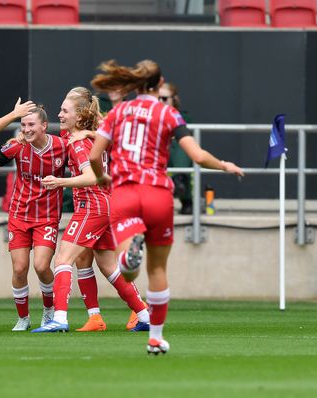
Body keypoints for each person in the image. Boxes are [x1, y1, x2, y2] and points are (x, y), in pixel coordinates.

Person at [89, 59, 244, 354]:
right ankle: (156, 338)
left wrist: (101, 176)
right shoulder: (169, 114)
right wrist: (224, 165)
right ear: (160, 85)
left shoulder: (118, 112)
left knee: (129, 271)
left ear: (135, 84)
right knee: (158, 267)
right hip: (159, 194)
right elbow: (197, 156)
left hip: (126, 193)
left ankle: (128, 260)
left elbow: (96, 155)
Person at [31, 87, 149, 333]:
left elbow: (91, 177)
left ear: (80, 116)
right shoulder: (87, 137)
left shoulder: (79, 142)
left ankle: (60, 318)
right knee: (108, 266)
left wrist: (60, 181)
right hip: (105, 205)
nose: (60, 114)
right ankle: (145, 314)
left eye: (65, 111)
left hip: (92, 205)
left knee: (64, 258)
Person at [0, 107, 68, 332]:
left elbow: (87, 160)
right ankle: (23, 318)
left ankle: (49, 311)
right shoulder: (17, 146)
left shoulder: (62, 146)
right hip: (19, 215)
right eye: (24, 125)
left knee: (41, 265)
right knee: (19, 268)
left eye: (31, 125)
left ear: (44, 126)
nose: (26, 129)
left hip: (46, 217)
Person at [160, 82, 194, 215]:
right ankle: (180, 182)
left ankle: (179, 181)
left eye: (164, 99)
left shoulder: (182, 117)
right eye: (158, 98)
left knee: (182, 146)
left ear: (174, 99)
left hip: (176, 154)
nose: (160, 101)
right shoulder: (151, 115)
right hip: (156, 154)